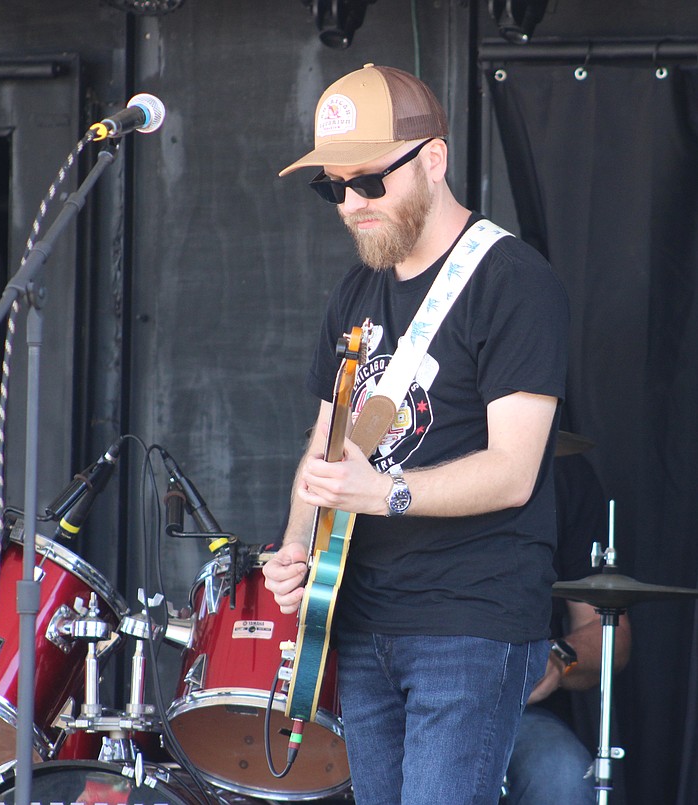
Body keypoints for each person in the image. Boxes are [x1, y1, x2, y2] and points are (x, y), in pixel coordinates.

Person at [262, 63, 570, 804]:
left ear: (433, 157)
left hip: (469, 619)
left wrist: (386, 491)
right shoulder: (358, 290)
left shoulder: (512, 281)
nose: (350, 205)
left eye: (369, 182)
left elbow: (513, 470)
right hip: (363, 617)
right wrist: (298, 544)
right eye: (332, 187)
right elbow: (325, 447)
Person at [505, 451, 632, 804]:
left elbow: (608, 632)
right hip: (387, 701)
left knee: (562, 773)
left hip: (511, 711)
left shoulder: (563, 472)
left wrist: (558, 659)